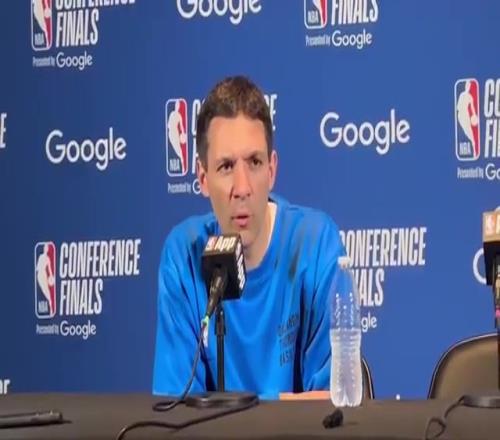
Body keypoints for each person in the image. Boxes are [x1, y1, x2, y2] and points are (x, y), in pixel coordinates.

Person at [153, 76, 345, 399]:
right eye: (226, 166)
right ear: (202, 177)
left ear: (272, 170)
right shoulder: (183, 255)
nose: (242, 188)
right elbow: (176, 408)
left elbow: (334, 404)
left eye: (254, 163)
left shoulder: (315, 243)